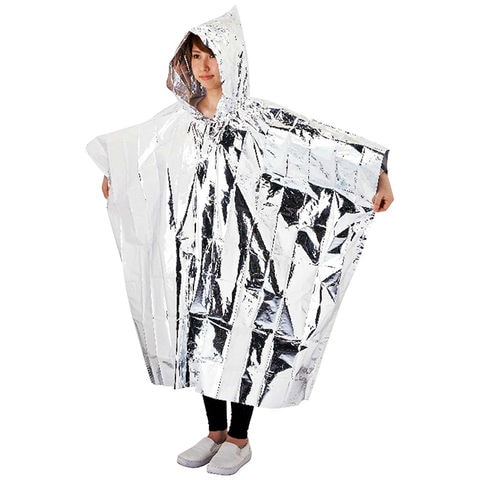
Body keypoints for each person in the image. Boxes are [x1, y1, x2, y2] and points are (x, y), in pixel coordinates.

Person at [98, 28, 394, 475]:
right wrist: (116, 177)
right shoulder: (178, 121)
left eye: (211, 55)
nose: (203, 65)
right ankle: (215, 433)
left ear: (229, 57)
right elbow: (141, 154)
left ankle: (239, 439)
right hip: (196, 253)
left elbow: (318, 144)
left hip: (250, 254)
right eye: (195, 56)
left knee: (245, 341)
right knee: (201, 338)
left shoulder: (257, 118)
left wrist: (377, 174)